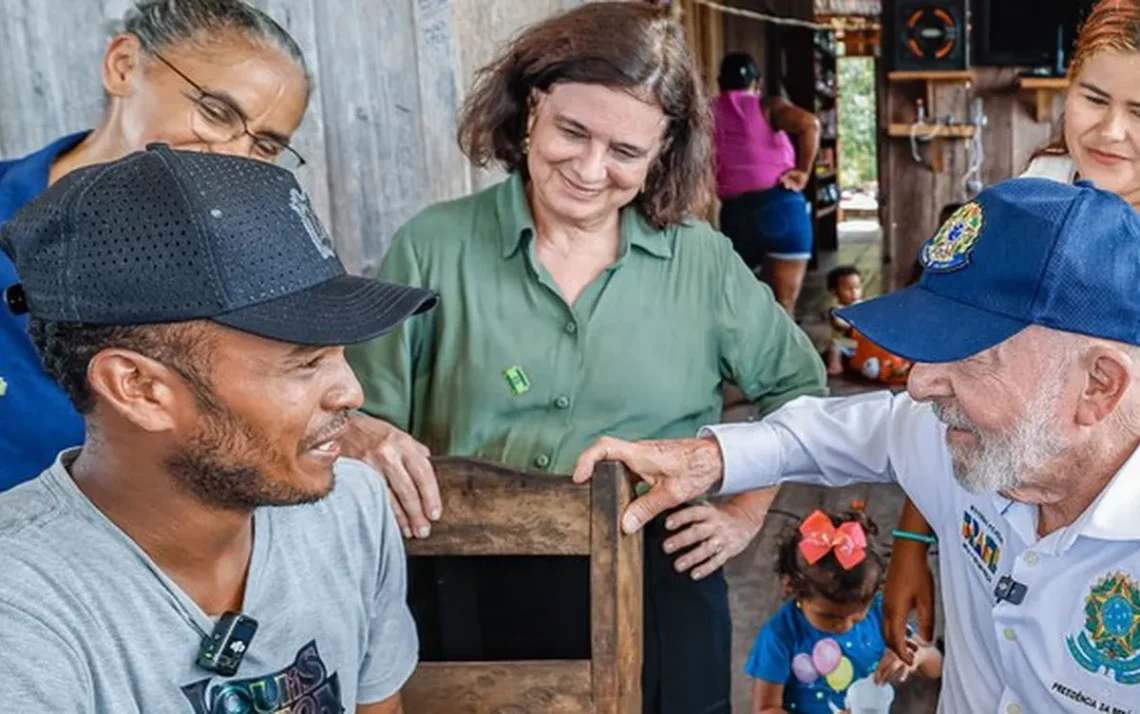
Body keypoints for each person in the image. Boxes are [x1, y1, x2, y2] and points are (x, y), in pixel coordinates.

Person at [342, 4, 827, 712]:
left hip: (658, 579)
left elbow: (798, 390)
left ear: (663, 151)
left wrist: (746, 513)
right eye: (573, 131)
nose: (591, 169)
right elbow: (357, 415)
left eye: (627, 151)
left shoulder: (700, 263)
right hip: (464, 582)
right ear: (532, 107)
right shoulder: (433, 247)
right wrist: (364, 434)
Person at [574, 177, 1140, 713]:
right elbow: (845, 431)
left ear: (1098, 385)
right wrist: (711, 458)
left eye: (969, 358)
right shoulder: (982, 440)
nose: (919, 384)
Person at [0, 146, 438, 712]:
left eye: (339, 353)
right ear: (138, 388)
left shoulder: (352, 508)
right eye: (304, 362)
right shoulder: (21, 611)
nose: (352, 392)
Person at [885, 0, 1140, 662]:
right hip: (995, 513)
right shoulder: (1040, 191)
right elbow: (958, 375)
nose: (1111, 132)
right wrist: (915, 538)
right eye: (1093, 97)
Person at [0, 0, 310, 491]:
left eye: (266, 146)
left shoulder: (258, 268)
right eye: (216, 112)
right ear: (123, 66)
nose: (233, 156)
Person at [747, 509, 941, 714]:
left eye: (856, 618)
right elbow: (766, 709)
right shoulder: (780, 635)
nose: (844, 626)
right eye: (830, 617)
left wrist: (920, 656)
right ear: (793, 588)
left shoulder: (879, 614)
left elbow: (938, 667)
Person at [712, 51, 821, 317]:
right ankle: (784, 359)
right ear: (758, 84)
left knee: (741, 312)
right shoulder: (768, 106)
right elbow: (810, 123)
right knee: (782, 311)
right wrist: (803, 172)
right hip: (781, 206)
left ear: (719, 82)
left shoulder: (705, 111)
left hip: (736, 215)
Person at [823, 265, 863, 375]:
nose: (854, 292)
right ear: (834, 292)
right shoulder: (837, 310)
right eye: (848, 289)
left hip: (865, 342)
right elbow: (840, 324)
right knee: (835, 344)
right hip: (851, 343)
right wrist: (852, 324)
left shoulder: (863, 305)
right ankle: (835, 365)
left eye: (857, 287)